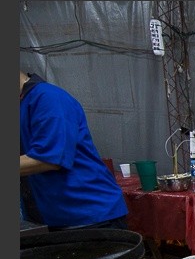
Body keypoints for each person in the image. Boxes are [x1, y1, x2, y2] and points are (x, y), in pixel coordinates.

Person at [19, 70, 128, 230]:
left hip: (91, 218)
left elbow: (48, 159)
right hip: (53, 218)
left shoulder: (48, 98)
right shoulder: (22, 105)